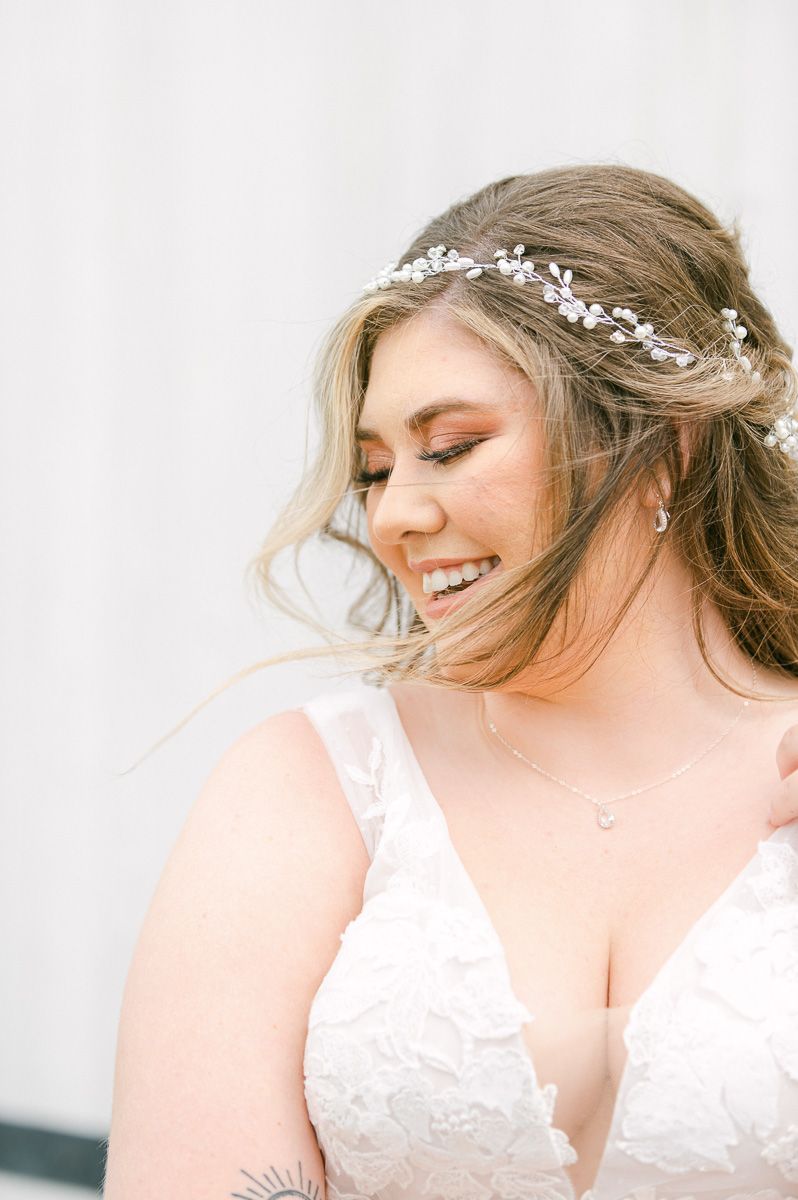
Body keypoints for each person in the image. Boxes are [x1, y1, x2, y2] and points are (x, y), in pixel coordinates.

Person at [103, 165, 798, 1200]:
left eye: (451, 447)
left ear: (666, 445)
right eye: (376, 470)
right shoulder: (318, 785)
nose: (393, 517)